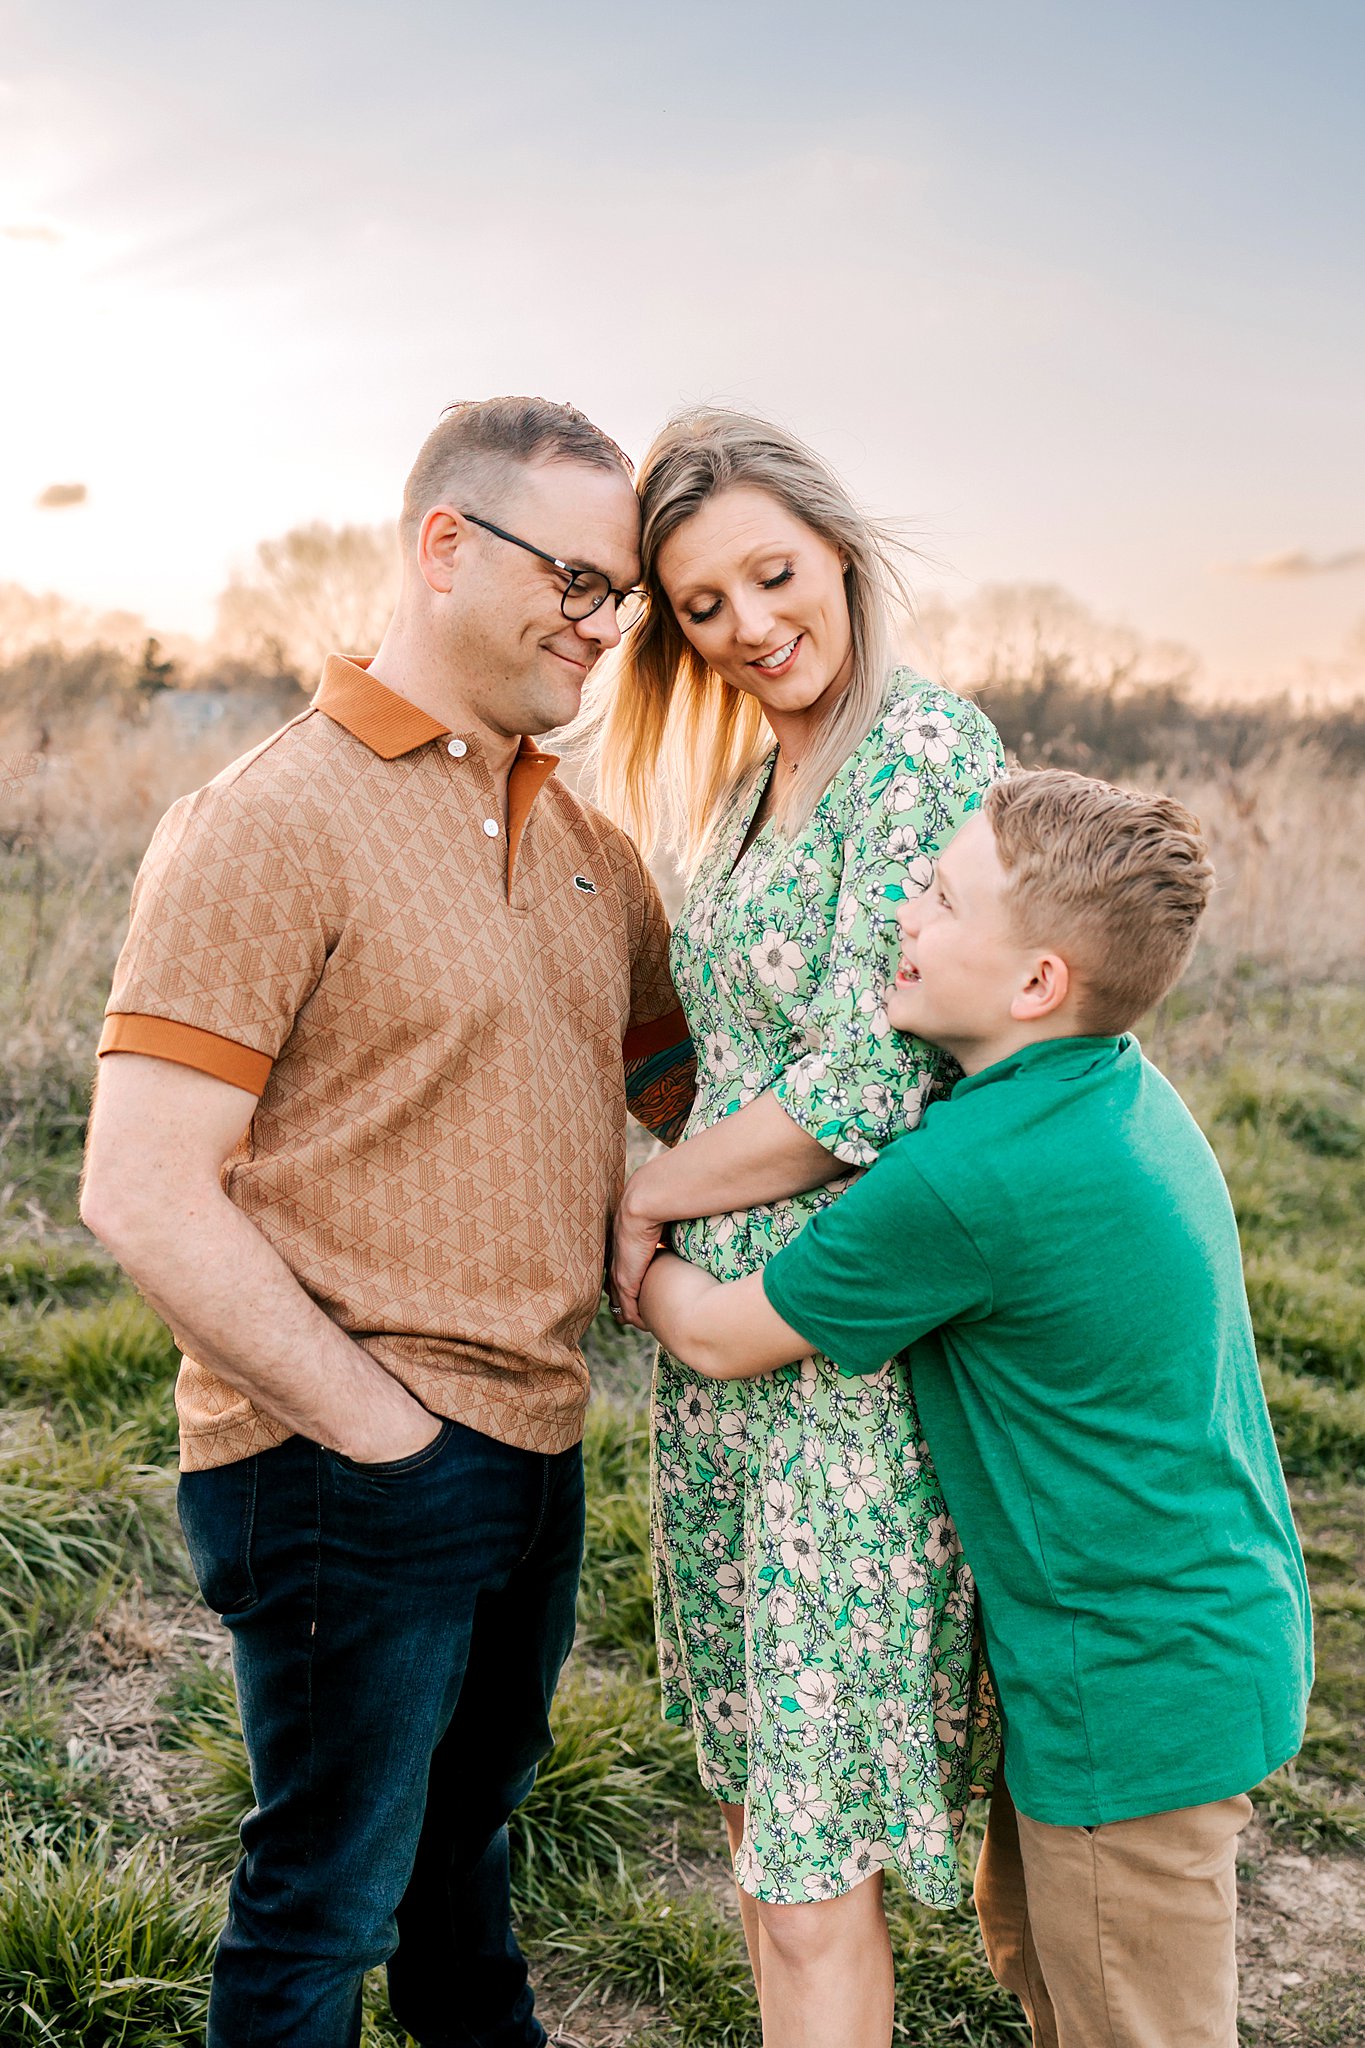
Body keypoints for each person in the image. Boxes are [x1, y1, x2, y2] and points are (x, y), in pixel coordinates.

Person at [80, 396, 695, 2048]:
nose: (602, 619)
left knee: (464, 1873)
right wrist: (379, 1430)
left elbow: (697, 1102)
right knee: (321, 1910)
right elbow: (137, 1185)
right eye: (576, 576)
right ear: (443, 544)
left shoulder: (588, 847)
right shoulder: (266, 819)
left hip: (538, 1446)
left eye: (621, 594)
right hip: (345, 1460)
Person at [638, 768, 1313, 2048]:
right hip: (1181, 1642)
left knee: (1135, 2023)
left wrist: (639, 1229)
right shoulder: (1112, 1084)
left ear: (1036, 984)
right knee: (1062, 1985)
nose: (899, 906)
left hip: (1128, 1690)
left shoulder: (974, 1176)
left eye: (941, 897)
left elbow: (726, 1335)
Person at [589, 409, 1005, 2047]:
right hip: (724, 1381)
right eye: (702, 604)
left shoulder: (924, 748)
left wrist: (645, 1200)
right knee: (770, 1845)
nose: (753, 624)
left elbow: (869, 1073)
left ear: (838, 549)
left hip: (838, 1366)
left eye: (773, 573)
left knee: (818, 1868)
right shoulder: (762, 778)